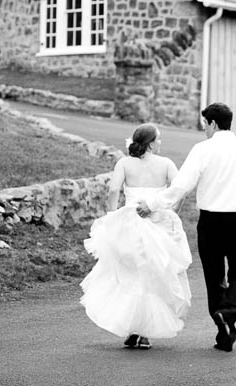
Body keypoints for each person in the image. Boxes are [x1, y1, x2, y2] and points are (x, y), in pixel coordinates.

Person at [138, 102, 236, 352]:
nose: (205, 130)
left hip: (209, 223)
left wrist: (153, 204)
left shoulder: (202, 149)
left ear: (213, 123)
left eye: (205, 125)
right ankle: (227, 317)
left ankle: (224, 330)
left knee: (214, 277)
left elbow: (181, 186)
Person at [80, 123, 193, 350]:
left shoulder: (124, 163)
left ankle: (134, 330)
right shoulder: (166, 164)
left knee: (131, 276)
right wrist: (172, 211)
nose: (160, 143)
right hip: (158, 222)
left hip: (130, 223)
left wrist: (112, 215)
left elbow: (113, 190)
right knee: (154, 277)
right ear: (150, 143)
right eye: (158, 139)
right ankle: (143, 332)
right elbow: (181, 189)